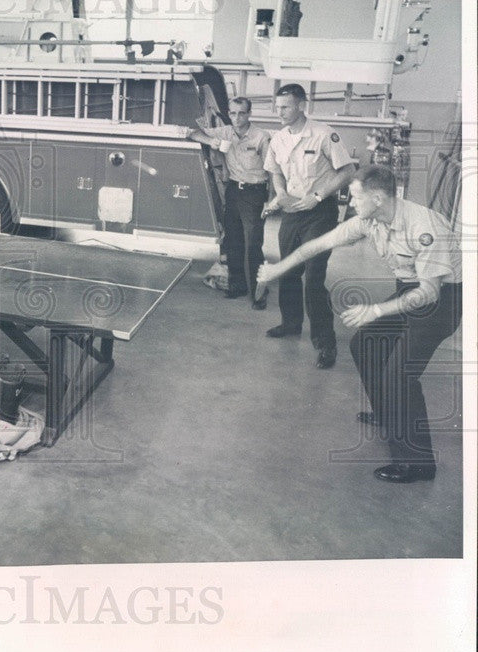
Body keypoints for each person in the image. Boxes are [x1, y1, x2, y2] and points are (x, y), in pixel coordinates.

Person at [257, 167, 462, 483]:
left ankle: (419, 463)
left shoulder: (423, 226)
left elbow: (429, 293)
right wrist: (277, 269)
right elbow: (318, 245)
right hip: (411, 289)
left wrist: (376, 310)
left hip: (443, 299)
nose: (351, 204)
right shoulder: (372, 219)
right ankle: (388, 414)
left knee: (399, 374)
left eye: (355, 197)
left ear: (377, 198)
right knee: (364, 345)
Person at [263, 83, 357, 368]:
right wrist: (280, 193)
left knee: (314, 276)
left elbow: (348, 171)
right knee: (289, 270)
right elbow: (274, 171)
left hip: (319, 212)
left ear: (301, 105)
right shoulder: (278, 138)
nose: (280, 112)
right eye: (278, 107)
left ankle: (325, 341)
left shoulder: (324, 134)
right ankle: (291, 323)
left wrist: (317, 197)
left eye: (286, 107)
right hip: (292, 212)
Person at [189, 97, 272, 307]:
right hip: (234, 190)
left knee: (253, 244)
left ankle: (259, 292)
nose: (237, 118)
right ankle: (237, 286)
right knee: (233, 241)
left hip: (255, 192)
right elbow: (191, 132)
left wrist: (269, 201)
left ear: (249, 114)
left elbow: (273, 171)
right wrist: (211, 141)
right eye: (233, 113)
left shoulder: (261, 137)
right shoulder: (225, 132)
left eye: (241, 113)